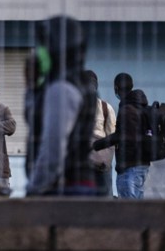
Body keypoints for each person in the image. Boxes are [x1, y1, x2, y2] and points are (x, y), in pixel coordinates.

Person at [25, 15, 97, 196]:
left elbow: (53, 147)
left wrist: (34, 188)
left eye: (43, 46)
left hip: (64, 189)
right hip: (73, 185)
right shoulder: (78, 82)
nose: (38, 51)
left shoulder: (61, 89)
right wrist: (33, 87)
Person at [93, 72, 151, 199]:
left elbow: (122, 136)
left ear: (116, 88)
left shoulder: (127, 109)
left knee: (128, 209)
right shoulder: (140, 105)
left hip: (130, 166)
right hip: (141, 164)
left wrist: (97, 145)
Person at [84, 70, 117, 197]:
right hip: (83, 164)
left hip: (101, 165)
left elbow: (112, 136)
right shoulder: (75, 106)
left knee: (105, 199)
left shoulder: (106, 107)